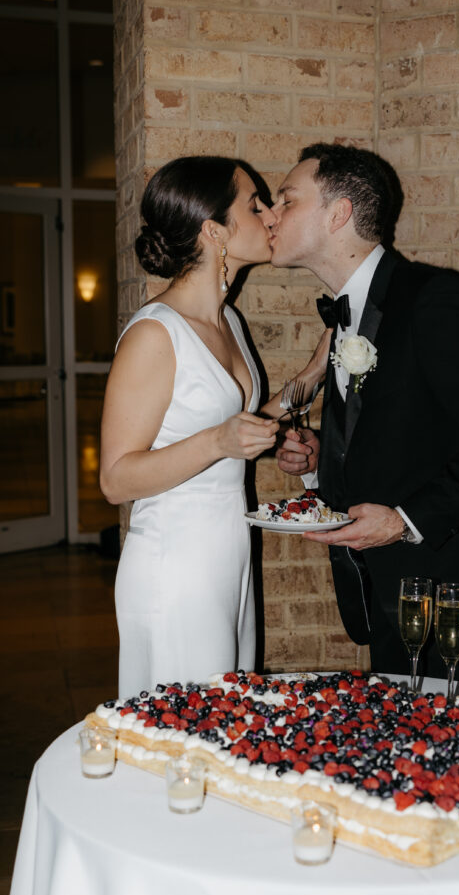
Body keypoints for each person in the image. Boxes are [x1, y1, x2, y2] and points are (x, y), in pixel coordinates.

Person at [273, 143, 459, 683]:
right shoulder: (347, 316)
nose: (272, 215)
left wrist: (404, 521)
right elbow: (407, 427)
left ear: (338, 214)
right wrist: (324, 455)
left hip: (457, 601)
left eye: (286, 201)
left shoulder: (438, 301)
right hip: (397, 595)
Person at [100, 156, 328, 696]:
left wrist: (314, 373)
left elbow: (242, 426)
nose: (271, 215)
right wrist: (216, 441)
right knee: (187, 737)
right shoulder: (155, 334)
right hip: (174, 564)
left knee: (227, 722)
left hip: (227, 553)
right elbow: (115, 479)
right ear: (213, 230)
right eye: (254, 205)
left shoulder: (227, 320)